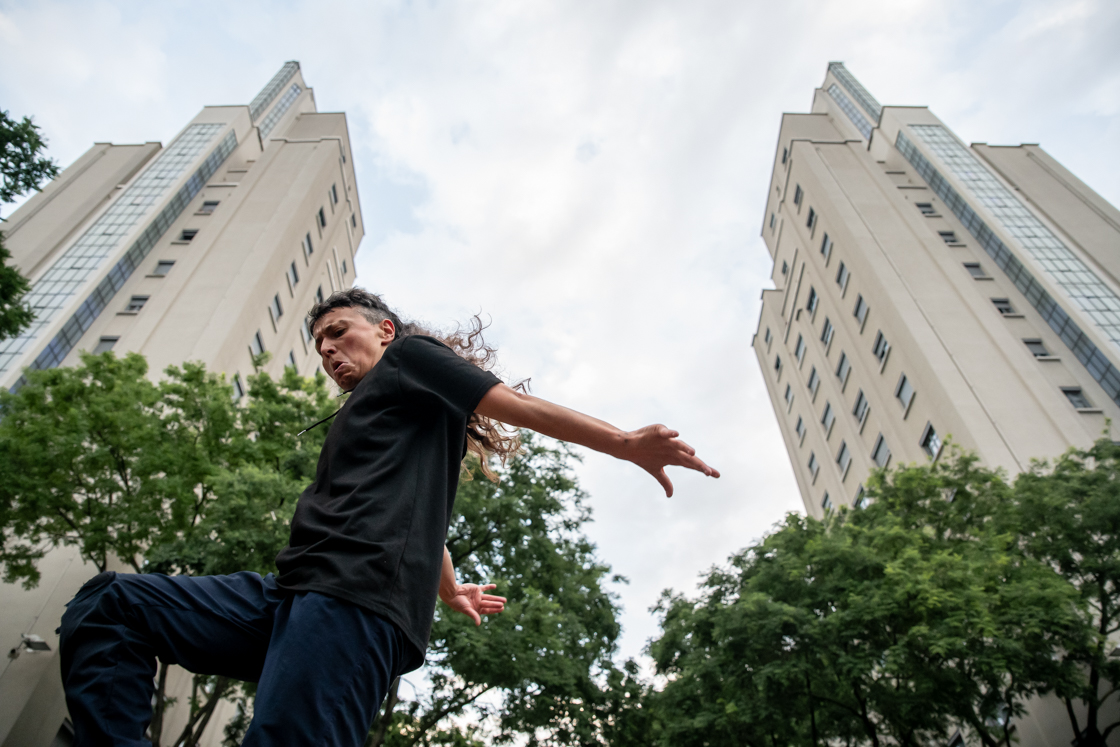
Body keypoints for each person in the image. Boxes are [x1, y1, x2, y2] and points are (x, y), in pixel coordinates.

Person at [59, 288, 719, 746]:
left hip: (355, 601)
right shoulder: (380, 409)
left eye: (338, 333)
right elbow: (409, 508)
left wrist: (624, 443)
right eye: (320, 346)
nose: (328, 352)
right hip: (293, 596)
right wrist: (449, 585)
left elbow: (522, 407)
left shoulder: (412, 360)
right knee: (111, 604)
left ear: (385, 330)